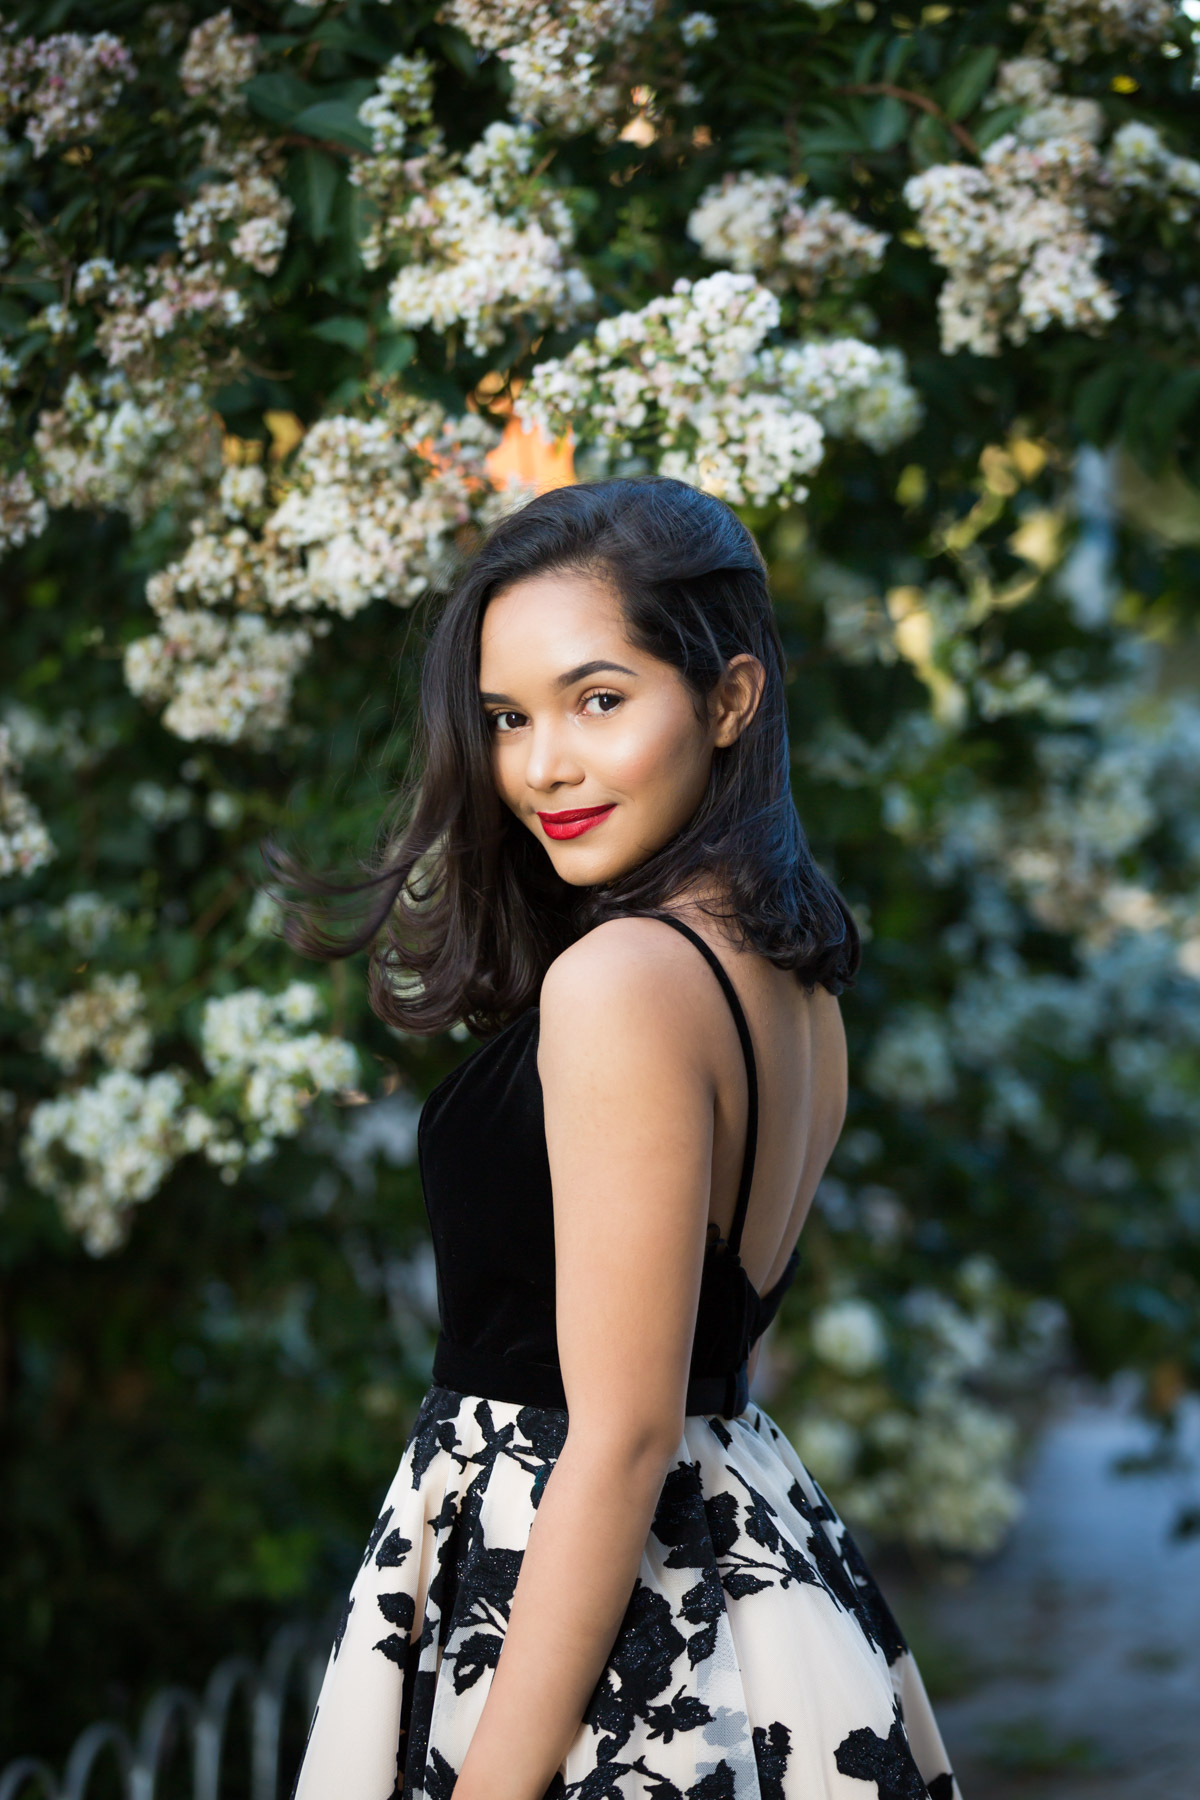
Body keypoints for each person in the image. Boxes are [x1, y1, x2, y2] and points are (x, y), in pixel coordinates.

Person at [281, 479, 960, 1799]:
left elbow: (621, 1433)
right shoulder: (787, 979)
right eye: (506, 719)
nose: (543, 766)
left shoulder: (624, 984)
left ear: (728, 699)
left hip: (586, 1613)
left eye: (599, 700)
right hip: (745, 1549)